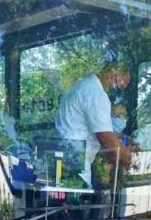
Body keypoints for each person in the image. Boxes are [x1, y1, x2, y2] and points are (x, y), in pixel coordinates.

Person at [55, 59, 133, 188]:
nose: (122, 86)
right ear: (114, 71)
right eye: (123, 80)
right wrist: (134, 161)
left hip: (65, 163)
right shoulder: (96, 94)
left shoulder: (80, 86)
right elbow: (106, 140)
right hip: (76, 167)